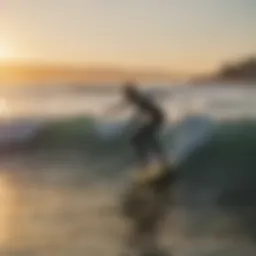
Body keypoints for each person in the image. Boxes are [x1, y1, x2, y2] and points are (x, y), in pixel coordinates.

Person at [108, 81, 168, 169]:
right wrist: (113, 109)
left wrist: (136, 119)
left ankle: (147, 163)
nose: (126, 96)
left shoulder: (140, 99)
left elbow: (149, 110)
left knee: (138, 139)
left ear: (131, 93)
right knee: (145, 139)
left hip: (157, 118)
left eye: (127, 94)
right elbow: (124, 105)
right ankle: (157, 161)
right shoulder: (136, 98)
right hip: (156, 118)